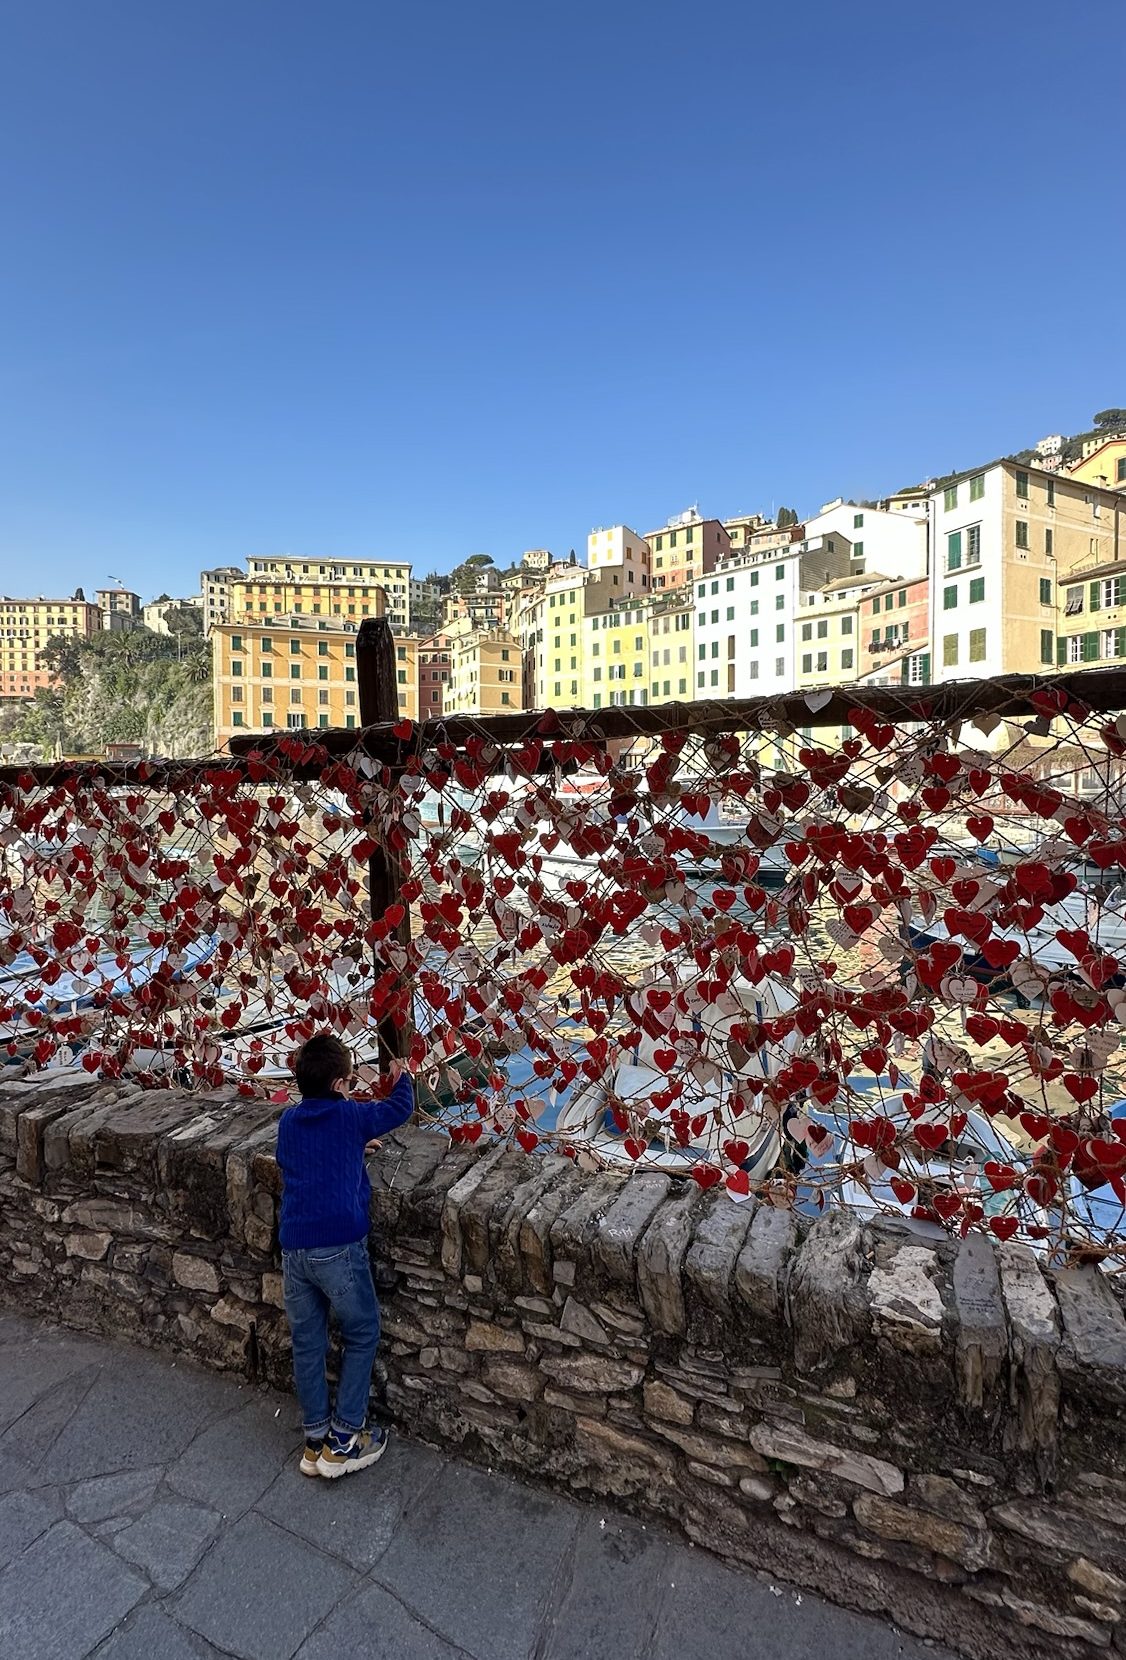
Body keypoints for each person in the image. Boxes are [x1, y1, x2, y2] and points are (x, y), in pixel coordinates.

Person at [277, 1032, 414, 1478]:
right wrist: (403, 1076)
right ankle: (344, 1440)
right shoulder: (351, 1117)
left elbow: (298, 1160)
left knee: (308, 1342)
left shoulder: (289, 1123)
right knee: (362, 1332)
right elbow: (398, 1109)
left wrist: (351, 1146)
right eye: (350, 1081)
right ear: (340, 1085)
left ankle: (314, 1438)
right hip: (338, 1247)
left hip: (295, 1248)